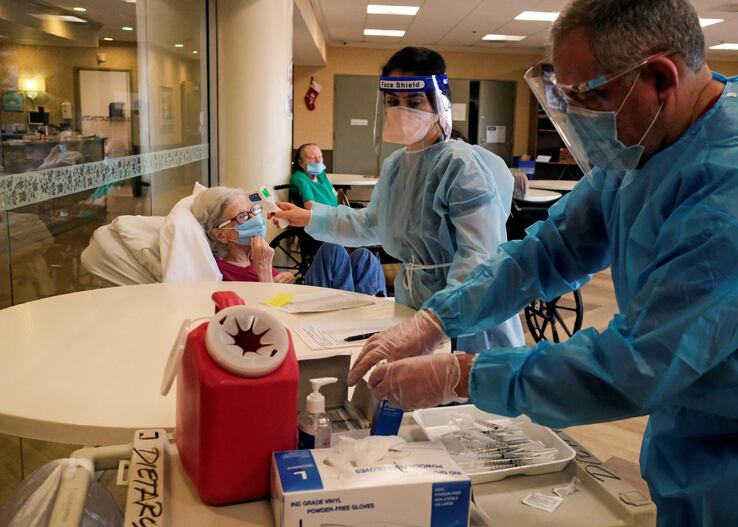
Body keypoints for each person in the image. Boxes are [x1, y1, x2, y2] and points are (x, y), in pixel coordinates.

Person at [350, 1, 738, 527]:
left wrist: (465, 375)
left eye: (590, 97)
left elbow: (638, 363)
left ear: (660, 77)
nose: (578, 117)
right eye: (566, 97)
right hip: (698, 427)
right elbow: (551, 248)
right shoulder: (652, 138)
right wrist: (438, 320)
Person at [273, 46, 524, 354]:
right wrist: (312, 218)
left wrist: (439, 320)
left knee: (460, 392)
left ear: (438, 101)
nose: (402, 110)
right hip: (414, 306)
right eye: (393, 102)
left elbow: (478, 258)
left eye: (414, 101)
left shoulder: (460, 165)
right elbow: (373, 223)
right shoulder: (396, 165)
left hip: (467, 316)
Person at [192, 187, 385, 295]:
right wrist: (266, 274)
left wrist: (282, 281)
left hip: (293, 298)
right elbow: (261, 317)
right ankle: (352, 321)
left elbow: (281, 295)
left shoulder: (253, 256)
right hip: (298, 322)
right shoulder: (221, 272)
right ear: (221, 235)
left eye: (253, 211)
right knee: (332, 250)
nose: (254, 219)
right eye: (243, 217)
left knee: (364, 257)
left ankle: (367, 317)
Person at [291, 143, 338, 208]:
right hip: (324, 217)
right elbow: (309, 205)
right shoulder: (300, 178)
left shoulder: (321, 174)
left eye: (320, 157)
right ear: (300, 162)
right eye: (312, 158)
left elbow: (335, 194)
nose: (318, 161)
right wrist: (333, 213)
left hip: (337, 214)